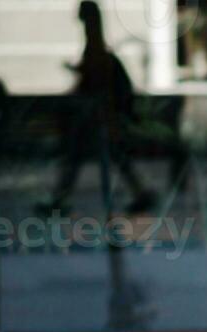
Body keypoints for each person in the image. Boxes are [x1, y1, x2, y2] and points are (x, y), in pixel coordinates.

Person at [45, 0, 156, 215]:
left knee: (83, 158)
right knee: (95, 158)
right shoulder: (94, 42)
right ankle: (139, 194)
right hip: (100, 114)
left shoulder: (94, 42)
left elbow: (97, 77)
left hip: (99, 114)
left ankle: (60, 200)